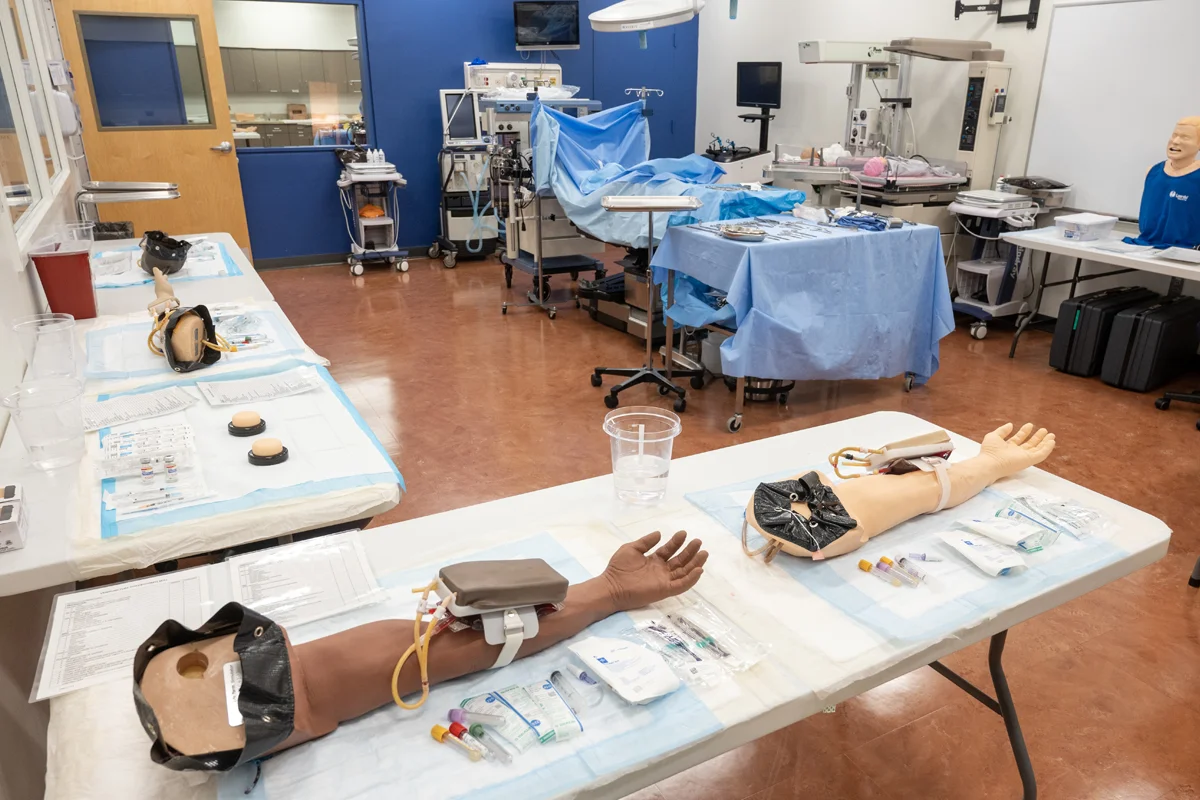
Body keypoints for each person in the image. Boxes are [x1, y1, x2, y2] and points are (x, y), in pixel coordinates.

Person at [1124, 117, 1200, 248]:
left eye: (1185, 137)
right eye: (1174, 135)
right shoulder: (1153, 172)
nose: (1176, 141)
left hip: (1187, 253)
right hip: (1144, 247)